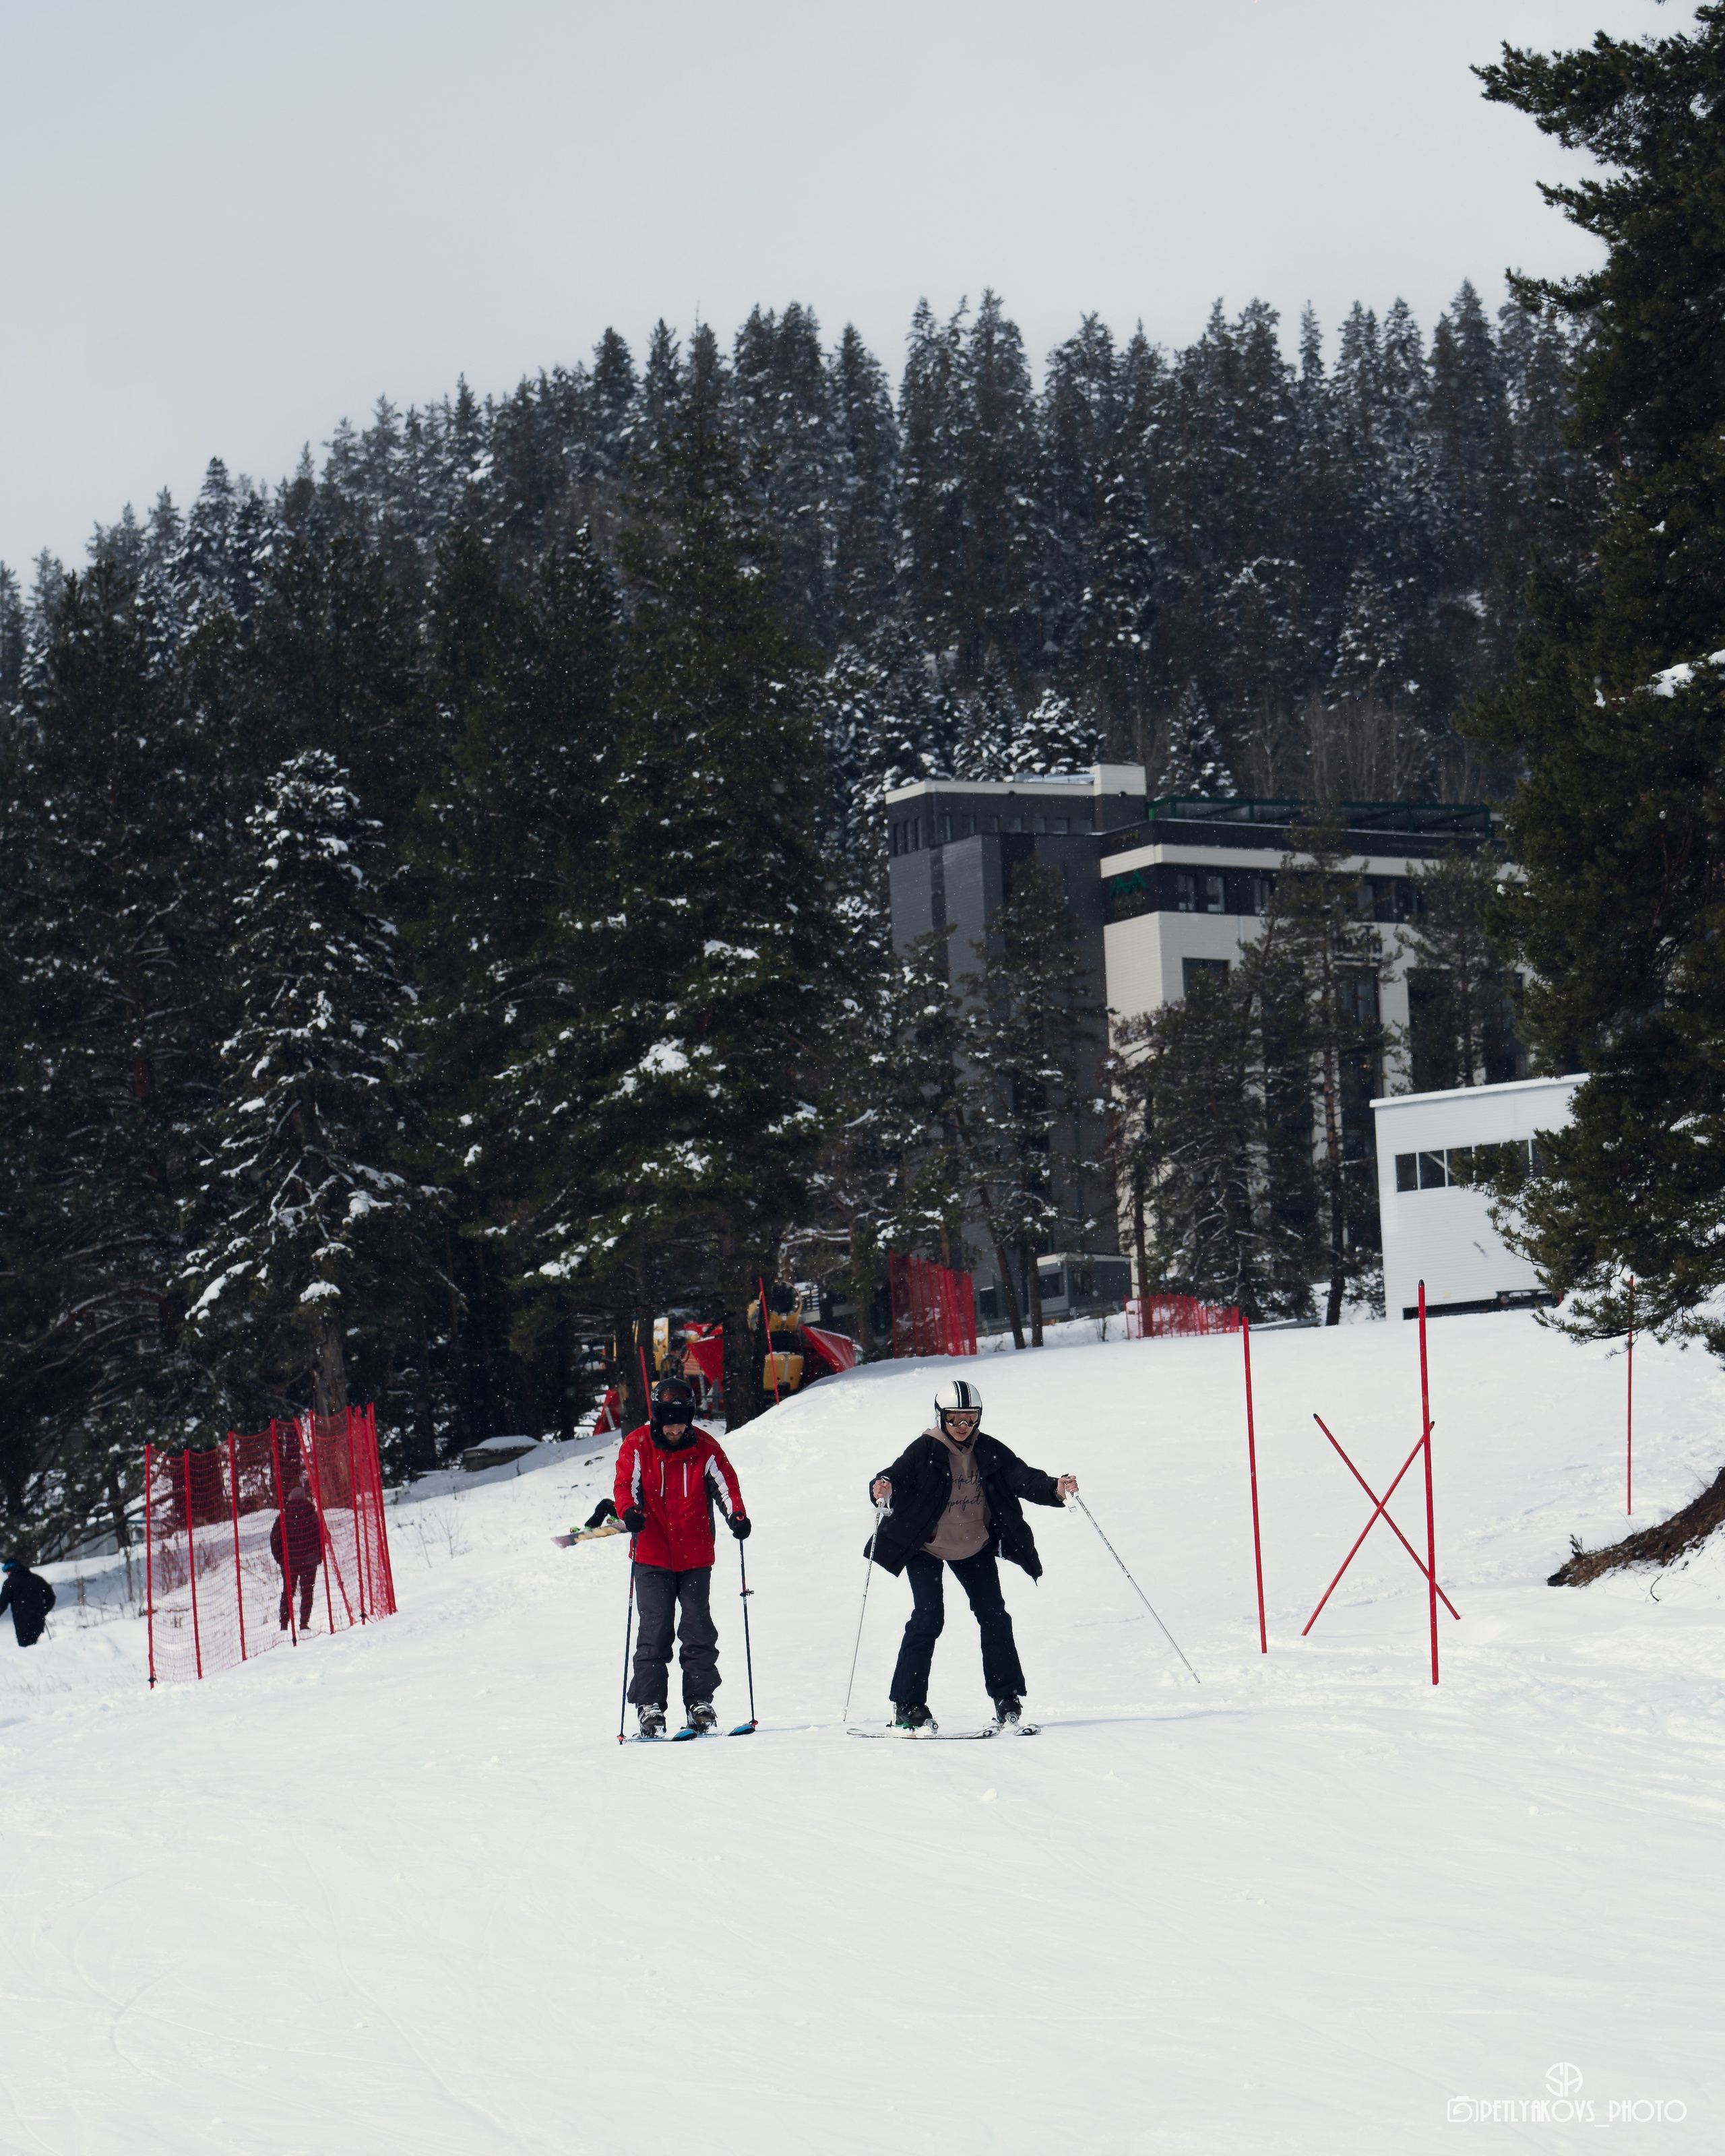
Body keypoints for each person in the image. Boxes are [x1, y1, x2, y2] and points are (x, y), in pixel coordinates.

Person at [866, 1378, 1077, 1736]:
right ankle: (908, 1705)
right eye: (954, 1420)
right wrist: (882, 1487)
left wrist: (1055, 1487)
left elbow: (1023, 1478)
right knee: (929, 1617)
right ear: (940, 1417)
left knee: (994, 1615)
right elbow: (893, 1477)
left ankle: (1007, 1698)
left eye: (970, 1419)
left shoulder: (989, 1450)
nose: (963, 1427)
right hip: (926, 1547)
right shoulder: (924, 1449)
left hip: (973, 1545)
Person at [615, 1376, 749, 1738]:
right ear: (657, 1417)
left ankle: (700, 1702)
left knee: (697, 1627)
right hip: (651, 1553)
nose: (675, 1428)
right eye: (668, 1419)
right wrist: (628, 1511)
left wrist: (737, 1514)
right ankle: (650, 1706)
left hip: (695, 1554)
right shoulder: (638, 1444)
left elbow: (726, 1484)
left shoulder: (705, 1447)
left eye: (682, 1420)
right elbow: (624, 1485)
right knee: (655, 1629)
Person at [270, 1471, 323, 1632]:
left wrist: (281, 1559)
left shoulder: (283, 1517)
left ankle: (284, 1624)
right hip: (309, 1562)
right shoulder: (312, 1514)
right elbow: (321, 1537)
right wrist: (317, 1557)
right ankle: (304, 1623)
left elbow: (274, 1541)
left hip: (290, 1563)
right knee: (307, 1592)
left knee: (288, 1592)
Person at [0, 1558, 55, 1648]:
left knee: (26, 1651)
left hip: (22, 1623)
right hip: (38, 1621)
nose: (6, 1574)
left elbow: (2, 1605)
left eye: (6, 1572)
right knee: (37, 1648)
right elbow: (51, 1598)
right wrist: (43, 1611)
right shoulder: (37, 1579)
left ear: (10, 1570)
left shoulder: (10, 1583)